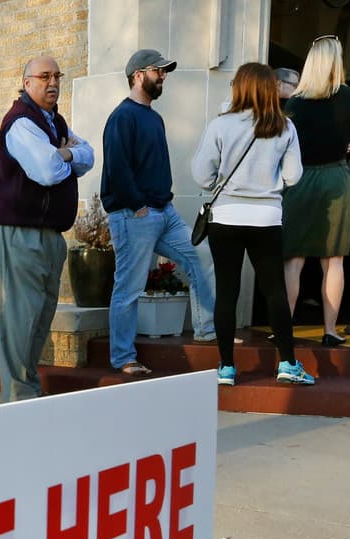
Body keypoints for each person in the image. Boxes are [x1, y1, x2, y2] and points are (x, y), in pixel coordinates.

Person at [191, 62, 313, 387]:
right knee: (274, 290)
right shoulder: (285, 127)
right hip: (266, 218)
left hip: (227, 217)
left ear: (240, 87)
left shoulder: (220, 125)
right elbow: (293, 176)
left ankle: (227, 368)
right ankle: (287, 362)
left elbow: (202, 175)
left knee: (228, 292)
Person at [0, 55, 93, 401]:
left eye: (57, 76)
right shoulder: (21, 122)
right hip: (20, 231)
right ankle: (18, 397)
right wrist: (62, 155)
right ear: (27, 82)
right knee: (20, 317)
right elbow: (45, 171)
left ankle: (27, 388)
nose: (53, 83)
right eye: (44, 76)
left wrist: (64, 154)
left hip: (49, 233)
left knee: (39, 316)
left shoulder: (54, 122)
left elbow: (89, 155)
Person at [101, 49, 215, 376]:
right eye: (157, 71)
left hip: (165, 213)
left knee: (200, 256)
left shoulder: (154, 117)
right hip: (134, 215)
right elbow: (118, 169)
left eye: (165, 72)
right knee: (129, 288)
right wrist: (138, 207)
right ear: (138, 75)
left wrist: (162, 204)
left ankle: (208, 329)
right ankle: (123, 358)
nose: (163, 76)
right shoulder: (122, 117)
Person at [282, 34, 350, 347]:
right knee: (334, 261)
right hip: (336, 178)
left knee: (294, 259)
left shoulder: (294, 104)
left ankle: (285, 327)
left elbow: (286, 147)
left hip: (301, 179)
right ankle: (330, 330)